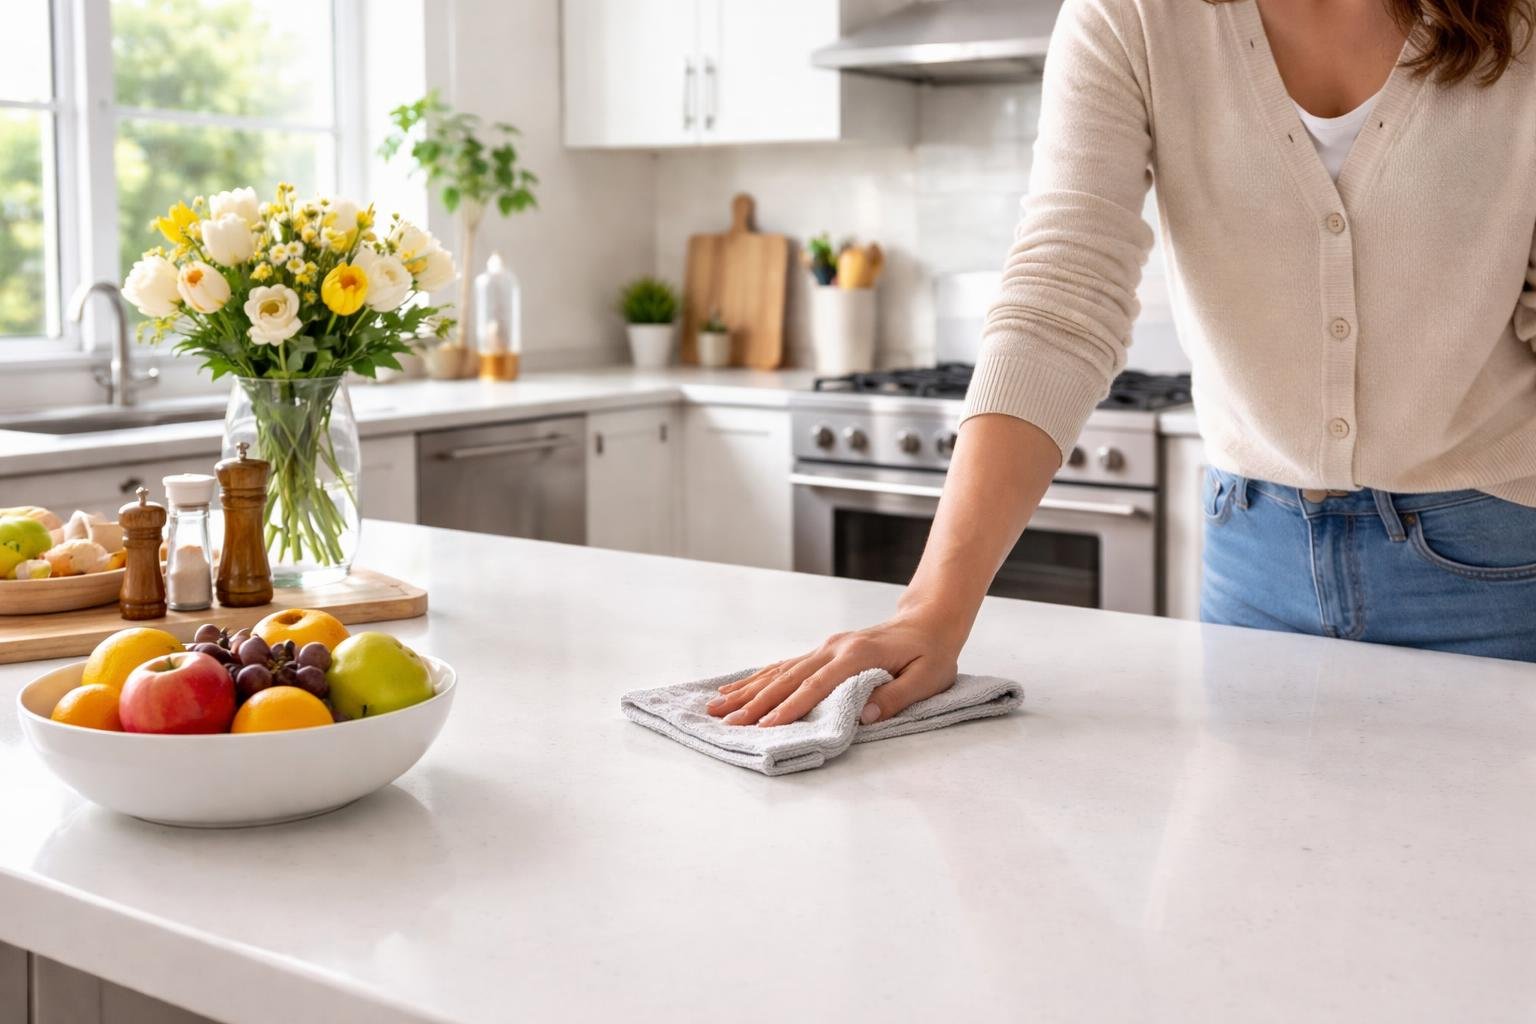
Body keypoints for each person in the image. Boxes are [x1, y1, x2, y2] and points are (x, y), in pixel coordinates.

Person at [710, 0, 1536, 729]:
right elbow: (1060, 295)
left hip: (1495, 568)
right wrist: (931, 611)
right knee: (1265, 892)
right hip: (1254, 562)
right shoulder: (1135, 14)